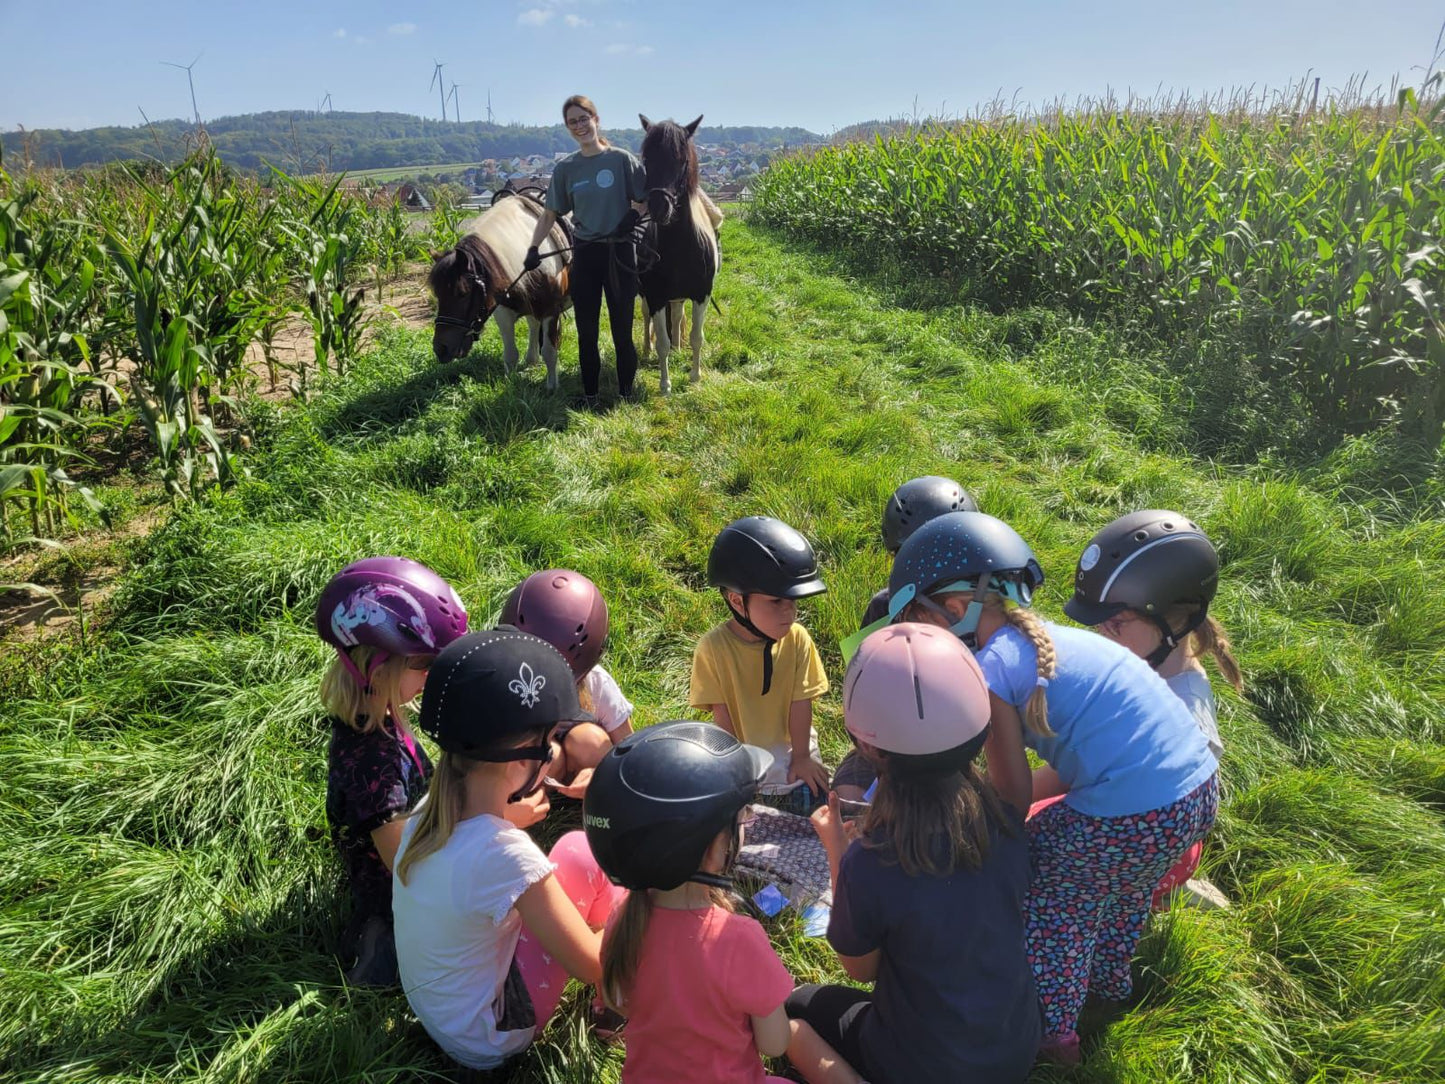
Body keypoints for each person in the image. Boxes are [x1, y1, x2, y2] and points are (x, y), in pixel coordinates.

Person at [887, 511, 1219, 1066]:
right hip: (1194, 794)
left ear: (954, 609)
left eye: (922, 618)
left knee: (1050, 897)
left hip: (1133, 811)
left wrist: (967, 839)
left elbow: (1012, 800)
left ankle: (1054, 1037)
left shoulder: (992, 673)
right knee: (1122, 887)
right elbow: (1081, 760)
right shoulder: (1049, 643)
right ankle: (1109, 985)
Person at [787, 623, 1041, 1084]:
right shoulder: (1006, 822)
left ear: (867, 745)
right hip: (1014, 1050)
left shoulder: (871, 861)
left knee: (798, 1004)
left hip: (918, 1067)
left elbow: (860, 968)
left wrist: (838, 852)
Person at [392, 628, 625, 1073]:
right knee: (618, 890)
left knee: (576, 850)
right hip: (490, 1037)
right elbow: (591, 963)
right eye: (549, 744)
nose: (553, 753)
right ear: (523, 757)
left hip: (445, 1015)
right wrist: (639, 898)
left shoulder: (428, 813)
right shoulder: (507, 857)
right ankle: (618, 1001)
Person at [584, 722, 837, 1084]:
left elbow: (618, 1001)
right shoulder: (739, 938)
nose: (747, 822)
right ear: (710, 846)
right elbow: (775, 1043)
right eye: (742, 817)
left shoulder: (622, 919)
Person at [1064, 509, 1242, 907]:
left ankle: (1158, 894)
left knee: (1028, 853)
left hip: (1149, 847)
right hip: (1133, 813)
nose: (1100, 636)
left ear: (1170, 625)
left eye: (1115, 625)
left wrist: (999, 800)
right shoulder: (1147, 663)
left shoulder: (1183, 720)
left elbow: (1074, 777)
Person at [316, 556, 470, 986]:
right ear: (378, 667)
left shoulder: (380, 718)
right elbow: (405, 864)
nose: (431, 675)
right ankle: (381, 945)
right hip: (398, 896)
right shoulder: (373, 761)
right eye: (423, 665)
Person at [835, 475, 977, 800]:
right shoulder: (884, 607)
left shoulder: (977, 616)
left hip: (952, 753)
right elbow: (860, 691)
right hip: (888, 743)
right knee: (848, 796)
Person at [690, 516, 830, 814]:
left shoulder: (797, 639)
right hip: (745, 764)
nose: (789, 612)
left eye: (793, 601)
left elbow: (801, 702)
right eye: (776, 602)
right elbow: (722, 715)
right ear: (737, 601)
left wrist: (802, 757)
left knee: (817, 821)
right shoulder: (712, 649)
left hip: (795, 760)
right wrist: (735, 768)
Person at [525, 94, 647, 407]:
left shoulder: (621, 160)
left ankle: (624, 394)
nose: (580, 126)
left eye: (583, 118)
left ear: (596, 118)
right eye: (572, 122)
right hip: (587, 254)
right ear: (568, 128)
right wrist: (534, 247)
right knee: (587, 331)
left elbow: (647, 198)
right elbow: (550, 214)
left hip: (620, 253)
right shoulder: (567, 169)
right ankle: (590, 395)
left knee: (622, 329)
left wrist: (633, 215)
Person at [500, 568, 634, 797]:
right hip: (531, 756)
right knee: (549, 756)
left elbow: (629, 750)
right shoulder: (499, 677)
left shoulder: (596, 684)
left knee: (591, 742)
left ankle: (596, 800)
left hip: (577, 752)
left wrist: (604, 776)